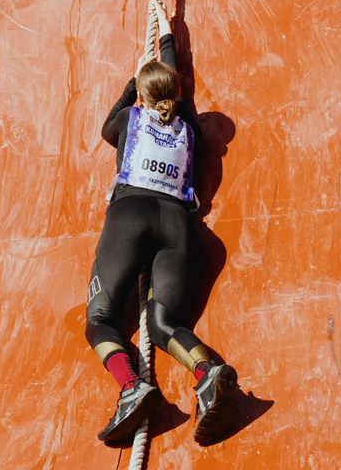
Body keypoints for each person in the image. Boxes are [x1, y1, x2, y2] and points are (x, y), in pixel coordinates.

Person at [85, 34, 242, 447]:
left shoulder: (128, 121)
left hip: (131, 215)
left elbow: (107, 126)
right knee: (162, 323)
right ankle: (207, 373)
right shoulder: (189, 128)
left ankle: (131, 387)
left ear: (141, 93)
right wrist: (168, 39)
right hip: (178, 224)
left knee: (100, 319)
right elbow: (179, 89)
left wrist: (131, 83)